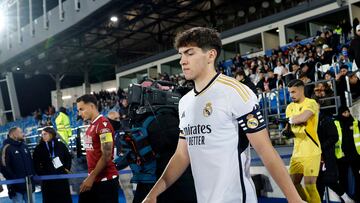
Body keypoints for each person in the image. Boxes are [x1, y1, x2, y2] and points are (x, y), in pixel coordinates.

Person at [142, 27, 304, 203]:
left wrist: (294, 198)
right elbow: (182, 155)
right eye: (181, 54)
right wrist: (153, 193)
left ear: (211, 55)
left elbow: (265, 150)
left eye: (190, 53)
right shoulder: (185, 102)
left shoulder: (235, 92)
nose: (182, 61)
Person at [76, 94, 119, 203]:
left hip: (106, 181)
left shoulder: (103, 125)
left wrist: (91, 177)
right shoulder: (92, 126)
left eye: (81, 109)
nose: (79, 113)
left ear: (92, 106)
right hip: (95, 179)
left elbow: (107, 155)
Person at [285, 79, 321, 203]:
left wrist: (290, 120)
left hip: (311, 151)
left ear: (301, 90)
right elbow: (288, 129)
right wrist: (285, 132)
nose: (291, 95)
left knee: (310, 185)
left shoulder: (311, 103)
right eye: (289, 93)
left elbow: (303, 117)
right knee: (293, 184)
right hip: (297, 152)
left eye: (293, 92)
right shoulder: (290, 107)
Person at [316, 106, 354, 203]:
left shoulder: (326, 120)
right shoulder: (310, 121)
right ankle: (346, 199)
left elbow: (334, 137)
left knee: (328, 180)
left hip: (327, 156)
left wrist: (321, 147)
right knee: (318, 184)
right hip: (316, 157)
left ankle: (346, 199)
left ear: (318, 106)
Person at [33, 127, 72, 203]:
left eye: (45, 134)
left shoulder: (61, 145)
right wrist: (42, 174)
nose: (43, 136)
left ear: (51, 134)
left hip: (61, 178)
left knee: (64, 199)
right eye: (42, 135)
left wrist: (66, 169)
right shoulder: (39, 148)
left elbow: (68, 157)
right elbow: (35, 163)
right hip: (47, 180)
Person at [0, 127, 35, 203]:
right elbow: (4, 167)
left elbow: (31, 163)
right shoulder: (6, 148)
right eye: (21, 132)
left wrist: (32, 177)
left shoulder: (24, 146)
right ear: (14, 134)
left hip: (29, 185)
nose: (23, 134)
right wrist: (16, 181)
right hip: (16, 187)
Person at [334, 106, 360, 202]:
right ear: (340, 114)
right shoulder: (336, 123)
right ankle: (344, 198)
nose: (347, 114)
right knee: (342, 178)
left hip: (355, 155)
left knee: (357, 176)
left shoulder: (355, 122)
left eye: (347, 112)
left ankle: (357, 197)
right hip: (341, 155)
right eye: (344, 113)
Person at [107, 111, 134, 203]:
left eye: (118, 118)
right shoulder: (106, 132)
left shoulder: (125, 131)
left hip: (124, 166)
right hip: (110, 167)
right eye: (115, 119)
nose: (118, 121)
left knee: (128, 192)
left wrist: (117, 162)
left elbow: (127, 150)